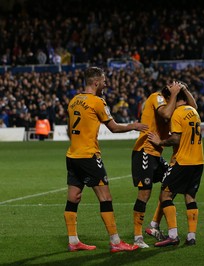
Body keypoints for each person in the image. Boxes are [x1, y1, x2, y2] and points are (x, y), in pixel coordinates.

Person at [64, 66, 148, 253]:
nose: (106, 83)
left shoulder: (74, 101)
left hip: (72, 155)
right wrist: (134, 125)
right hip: (89, 156)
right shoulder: (97, 102)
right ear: (96, 82)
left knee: (74, 197)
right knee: (105, 197)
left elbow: (69, 130)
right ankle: (116, 242)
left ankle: (73, 241)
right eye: (103, 80)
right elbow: (114, 128)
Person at [131, 80, 197, 248]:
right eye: (172, 88)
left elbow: (193, 106)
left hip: (157, 155)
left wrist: (185, 89)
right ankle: (138, 237)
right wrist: (175, 93)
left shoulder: (172, 103)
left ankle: (153, 225)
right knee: (144, 194)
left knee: (170, 187)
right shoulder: (157, 97)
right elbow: (166, 115)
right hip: (144, 151)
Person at [148, 88, 204, 247]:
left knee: (165, 195)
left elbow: (176, 139)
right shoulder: (193, 111)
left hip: (182, 161)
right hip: (198, 161)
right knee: (190, 196)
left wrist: (160, 142)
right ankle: (191, 236)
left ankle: (172, 235)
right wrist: (185, 89)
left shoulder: (177, 114)